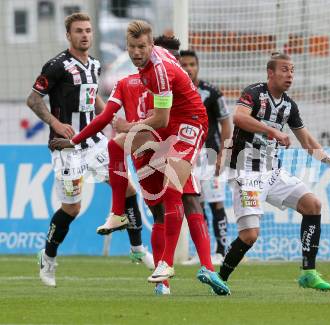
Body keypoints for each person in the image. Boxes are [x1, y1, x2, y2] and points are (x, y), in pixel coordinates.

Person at [51, 23, 229, 296]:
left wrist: (129, 127)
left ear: (151, 47)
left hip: (187, 125)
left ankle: (170, 265)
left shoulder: (157, 71)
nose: (136, 52)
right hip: (156, 134)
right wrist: (76, 140)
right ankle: (119, 213)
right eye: (132, 47)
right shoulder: (133, 77)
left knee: (175, 191)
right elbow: (110, 118)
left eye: (141, 47)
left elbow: (162, 117)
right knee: (116, 147)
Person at [26, 13, 152, 287]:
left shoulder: (94, 64)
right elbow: (33, 99)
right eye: (79, 31)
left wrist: (110, 116)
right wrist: (56, 123)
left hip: (94, 142)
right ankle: (47, 258)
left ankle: (137, 248)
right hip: (66, 148)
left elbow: (92, 97)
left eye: (88, 30)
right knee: (72, 208)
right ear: (68, 35)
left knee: (128, 187)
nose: (85, 35)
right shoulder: (56, 66)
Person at [217, 52, 330, 291]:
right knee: (250, 235)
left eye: (292, 70)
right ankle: (221, 277)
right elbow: (238, 117)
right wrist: (272, 132)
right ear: (270, 73)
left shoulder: (289, 106)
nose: (289, 75)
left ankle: (308, 272)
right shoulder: (255, 93)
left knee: (313, 205)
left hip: (273, 172)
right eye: (284, 70)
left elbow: (307, 141)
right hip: (245, 172)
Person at [179, 50, 232, 265]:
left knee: (216, 203)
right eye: (184, 65)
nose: (189, 68)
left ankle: (222, 250)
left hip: (210, 155)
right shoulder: (175, 92)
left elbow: (226, 123)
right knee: (195, 204)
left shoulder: (212, 93)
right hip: (188, 156)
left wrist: (223, 153)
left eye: (192, 64)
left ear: (198, 66)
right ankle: (204, 252)